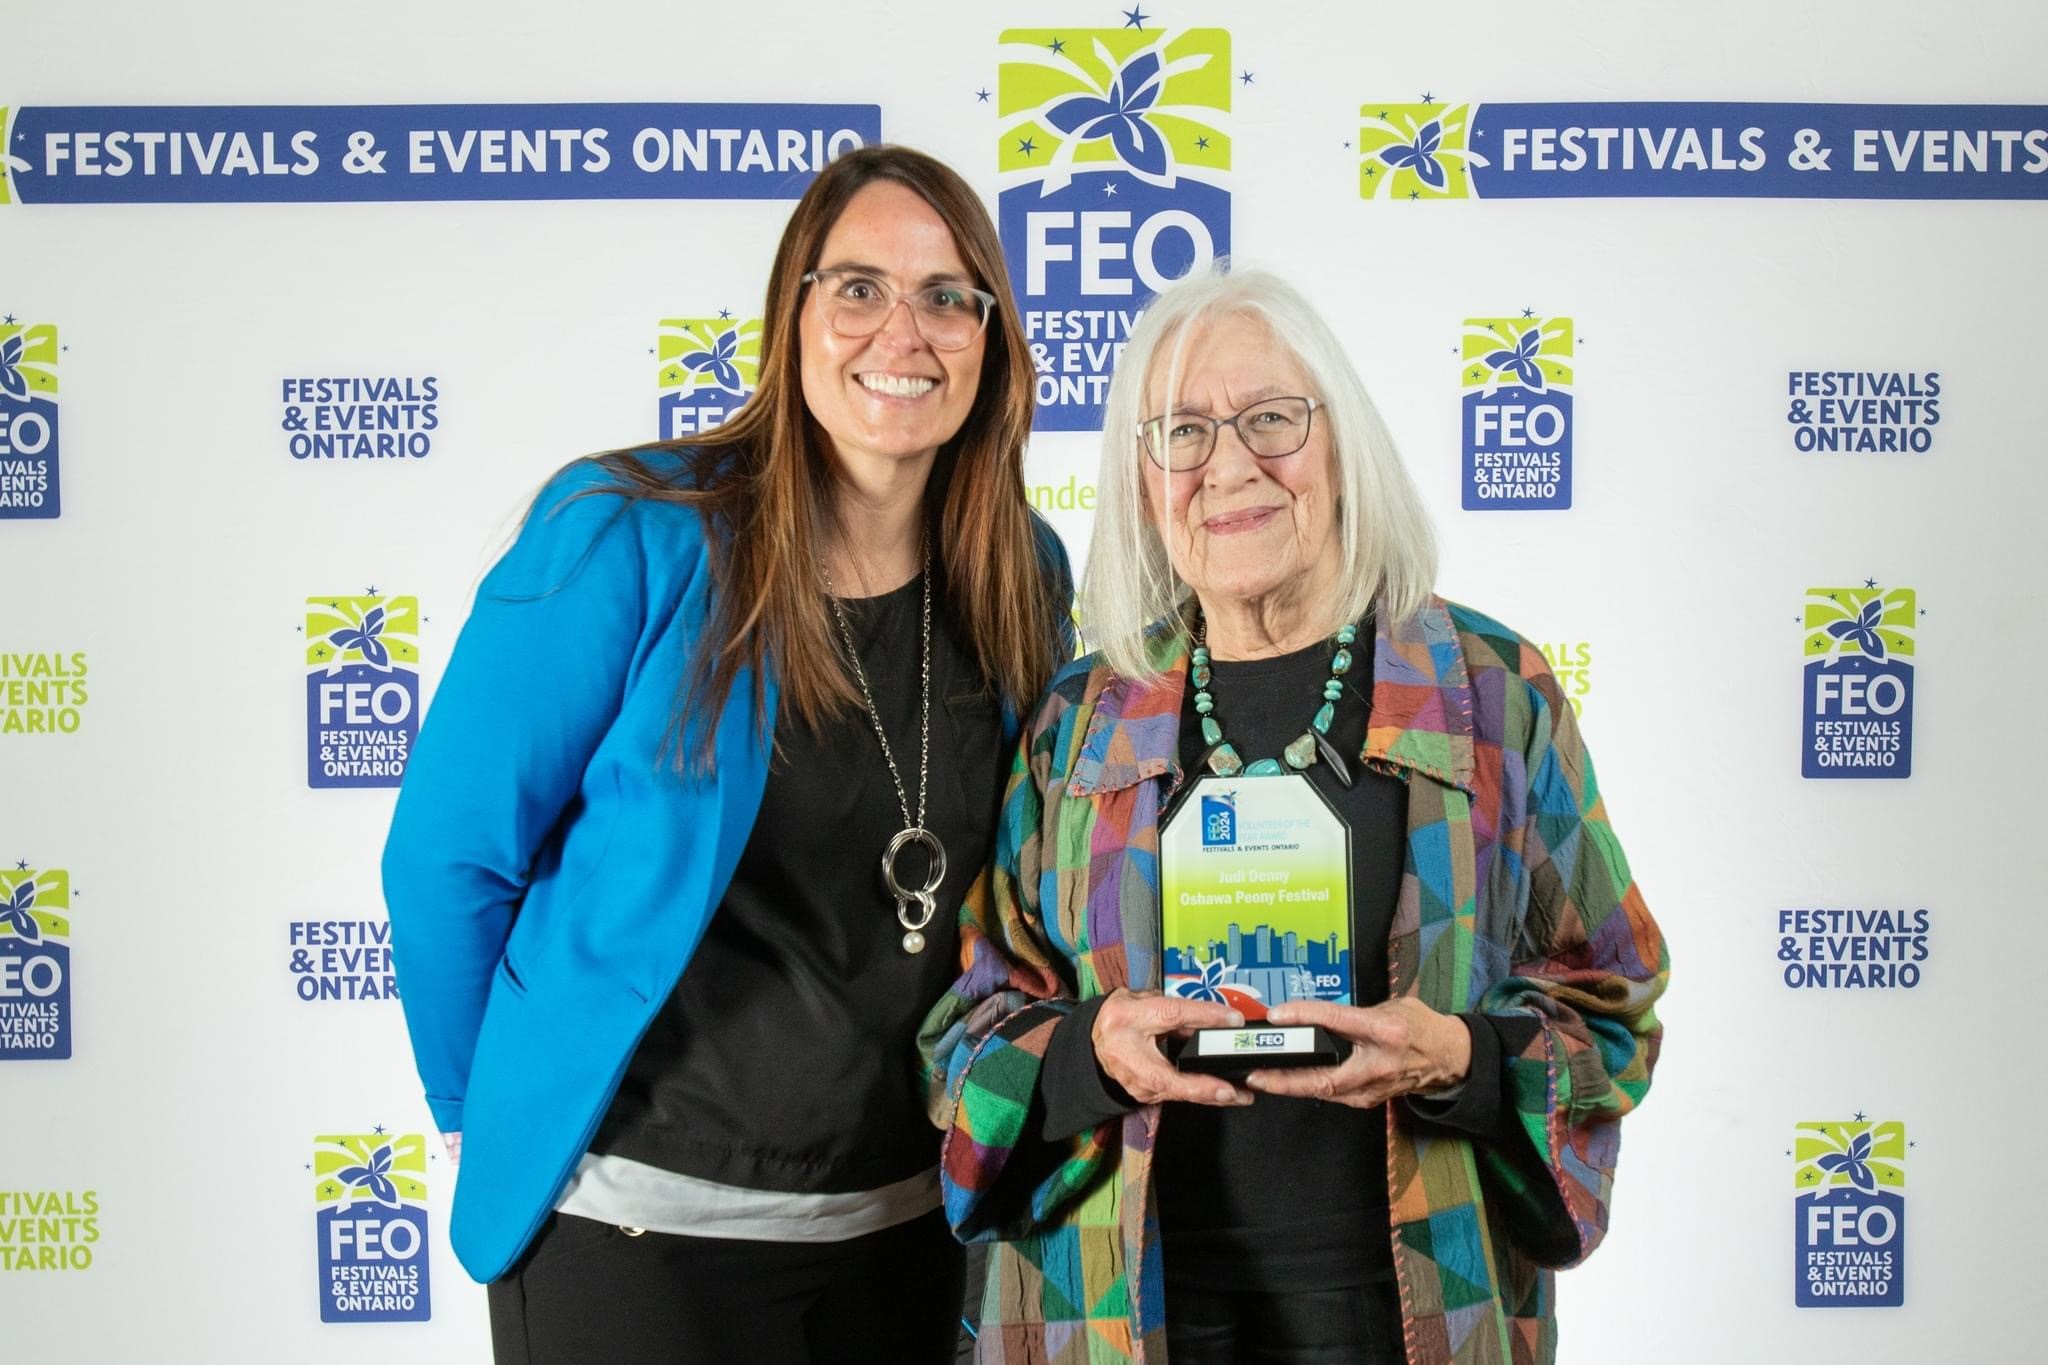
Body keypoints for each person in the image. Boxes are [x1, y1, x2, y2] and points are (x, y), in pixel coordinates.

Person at [381, 144, 1071, 1365]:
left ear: (992, 339)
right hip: (636, 1236)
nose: (900, 332)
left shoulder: (1019, 573)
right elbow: (448, 854)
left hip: (907, 1231)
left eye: (947, 296)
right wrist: (473, 1112)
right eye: (856, 287)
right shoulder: (631, 530)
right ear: (790, 313)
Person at [920, 267, 1667, 1365]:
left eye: (1270, 418)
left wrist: (1458, 1056)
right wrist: (1092, 1051)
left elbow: (1611, 999)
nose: (1229, 465)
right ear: (1139, 481)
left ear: (1340, 441)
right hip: (1113, 1312)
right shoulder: (1079, 721)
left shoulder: (1488, 691)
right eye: (1181, 432)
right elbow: (966, 1034)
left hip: (1406, 1305)